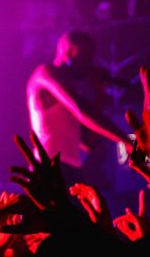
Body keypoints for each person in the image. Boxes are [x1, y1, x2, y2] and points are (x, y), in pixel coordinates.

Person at [26, 31, 131, 189]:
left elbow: (88, 143)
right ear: (69, 52)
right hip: (47, 168)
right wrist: (126, 140)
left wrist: (99, 93)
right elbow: (81, 110)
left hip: (70, 170)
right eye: (86, 57)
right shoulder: (45, 73)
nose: (89, 65)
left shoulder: (67, 96)